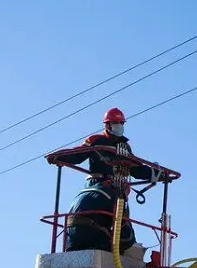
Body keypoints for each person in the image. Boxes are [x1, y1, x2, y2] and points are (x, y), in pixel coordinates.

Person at [55, 107, 162, 256]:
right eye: (116, 123)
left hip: (117, 189)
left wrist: (158, 174)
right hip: (98, 184)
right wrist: (59, 156)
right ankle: (120, 244)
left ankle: (121, 245)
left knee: (121, 220)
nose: (120, 126)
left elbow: (137, 170)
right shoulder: (96, 141)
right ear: (107, 125)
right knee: (117, 217)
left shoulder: (125, 147)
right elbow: (77, 155)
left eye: (121, 123)